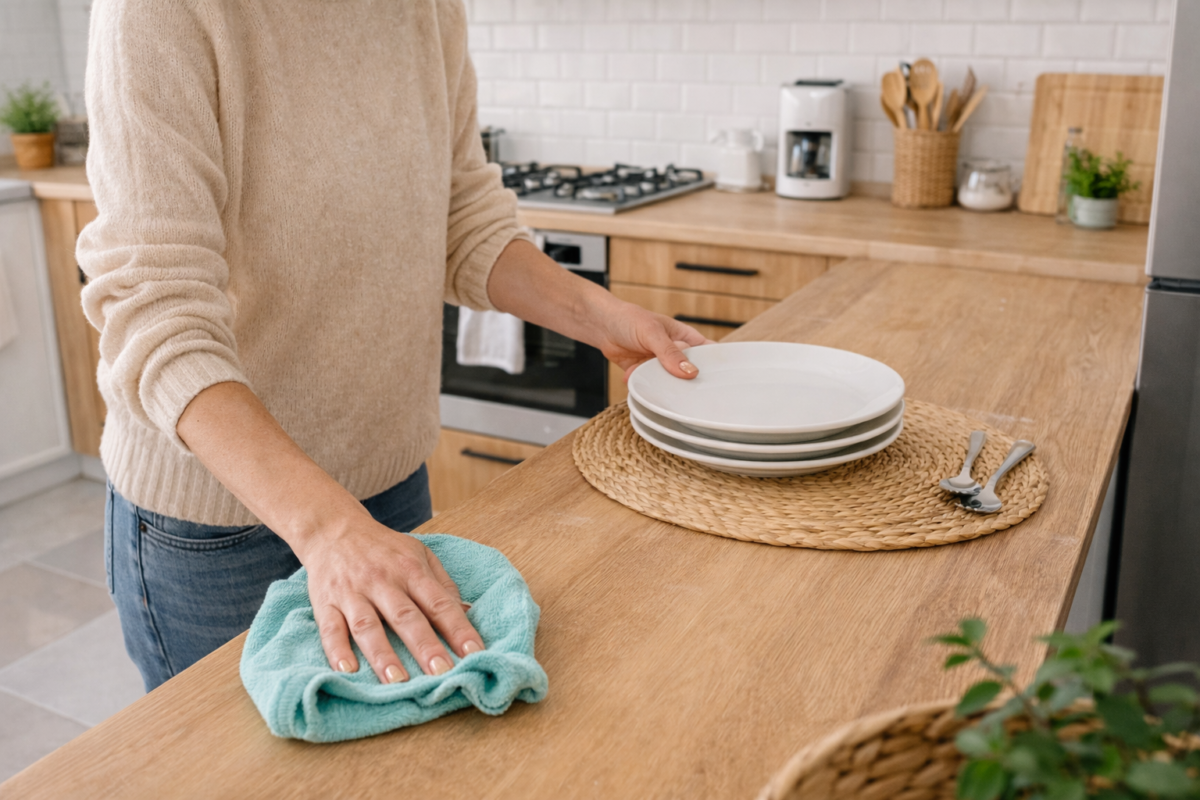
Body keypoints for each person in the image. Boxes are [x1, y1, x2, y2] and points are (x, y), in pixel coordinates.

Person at [78, 0, 707, 692]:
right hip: (220, 526)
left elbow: (461, 213)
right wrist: (328, 531)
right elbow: (156, 308)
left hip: (388, 482)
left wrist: (601, 315)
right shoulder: (159, 13)